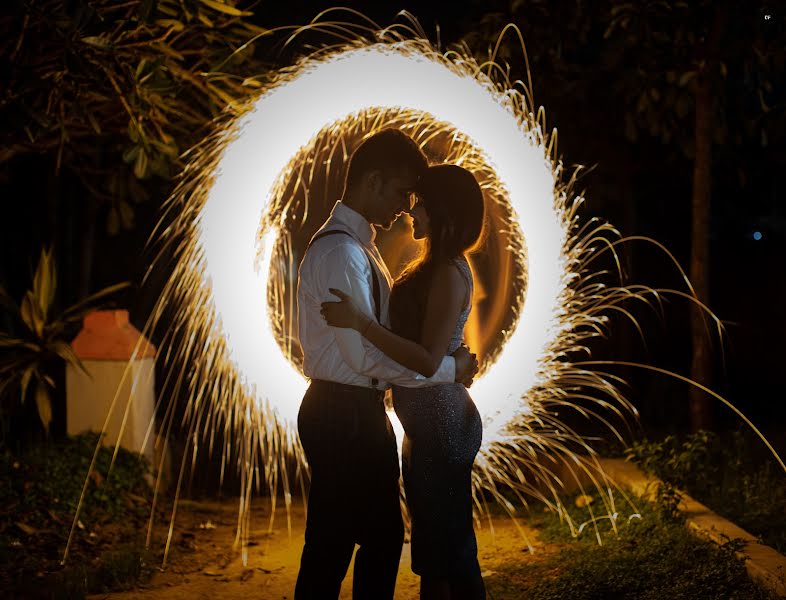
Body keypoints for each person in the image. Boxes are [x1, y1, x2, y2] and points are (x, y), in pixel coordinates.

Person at [295, 130, 479, 600]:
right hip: (345, 412)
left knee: (357, 538)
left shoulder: (359, 246)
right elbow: (361, 355)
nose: (406, 206)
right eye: (402, 192)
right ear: (373, 181)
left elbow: (374, 342)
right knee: (349, 540)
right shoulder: (342, 252)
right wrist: (446, 371)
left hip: (355, 410)